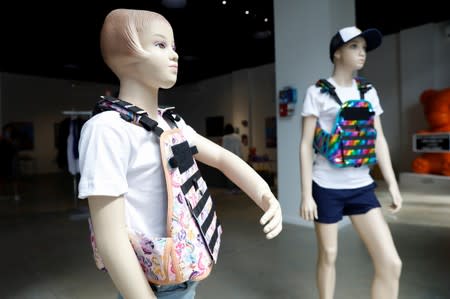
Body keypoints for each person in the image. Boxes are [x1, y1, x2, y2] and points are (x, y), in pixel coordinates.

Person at [78, 9, 282, 299]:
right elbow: (110, 237)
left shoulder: (172, 123)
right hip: (150, 285)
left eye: (173, 47)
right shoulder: (107, 129)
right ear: (125, 51)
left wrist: (265, 195)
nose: (174, 55)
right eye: (160, 45)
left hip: (183, 275)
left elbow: (223, 158)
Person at [299, 26, 403, 299]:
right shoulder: (317, 92)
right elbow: (305, 144)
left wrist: (392, 183)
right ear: (337, 53)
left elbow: (379, 139)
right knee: (329, 255)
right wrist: (306, 195)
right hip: (325, 186)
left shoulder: (368, 91)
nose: (362, 53)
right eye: (354, 46)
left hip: (362, 187)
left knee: (391, 264)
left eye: (364, 48)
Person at [222, 124, 243, 193]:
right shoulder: (238, 137)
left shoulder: (225, 137)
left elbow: (224, 148)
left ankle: (231, 189)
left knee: (230, 174)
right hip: (238, 157)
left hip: (229, 158)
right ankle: (238, 189)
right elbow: (239, 148)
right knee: (238, 174)